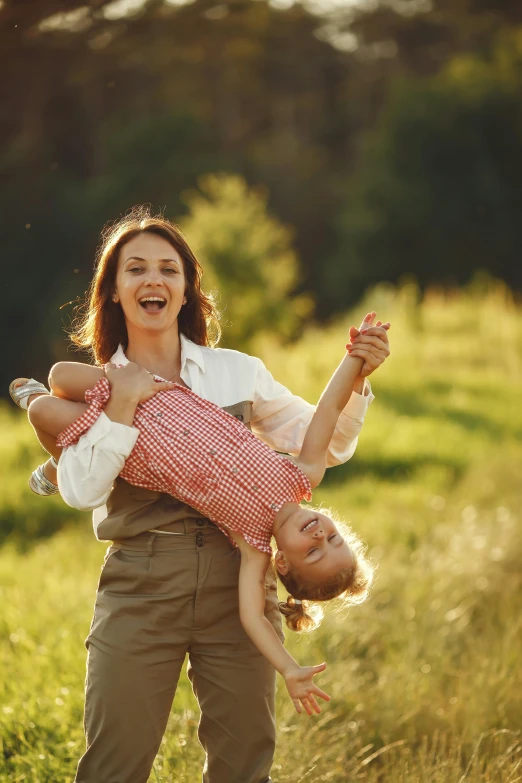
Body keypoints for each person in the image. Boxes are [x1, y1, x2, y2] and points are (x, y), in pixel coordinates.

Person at [10, 207, 391, 783]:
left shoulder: (238, 375)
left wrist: (359, 368)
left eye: (168, 269)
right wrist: (121, 398)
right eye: (136, 269)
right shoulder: (103, 374)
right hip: (141, 580)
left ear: (187, 289)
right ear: (114, 290)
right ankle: (50, 443)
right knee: (114, 762)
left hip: (228, 583)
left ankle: (52, 449)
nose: (153, 280)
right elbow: (83, 492)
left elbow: (326, 434)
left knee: (244, 762)